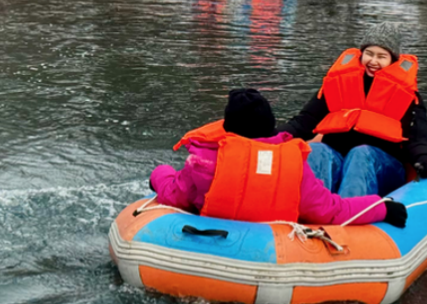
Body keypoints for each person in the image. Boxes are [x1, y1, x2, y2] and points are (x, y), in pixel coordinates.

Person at [149, 88, 408, 227]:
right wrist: (381, 207)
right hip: (274, 247)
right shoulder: (292, 164)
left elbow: (172, 194)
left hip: (211, 246)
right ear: (271, 127)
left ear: (226, 128)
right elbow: (330, 211)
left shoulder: (203, 161)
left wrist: (158, 174)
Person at [283, 23, 427, 198]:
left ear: (392, 60)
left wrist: (424, 159)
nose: (373, 61)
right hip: (339, 158)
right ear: (361, 54)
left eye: (381, 56)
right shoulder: (337, 83)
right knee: (317, 149)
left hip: (382, 166)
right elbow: (305, 121)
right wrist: (272, 135)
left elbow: (419, 135)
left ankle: (352, 209)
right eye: (369, 54)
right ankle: (310, 206)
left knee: (361, 154)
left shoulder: (407, 95)